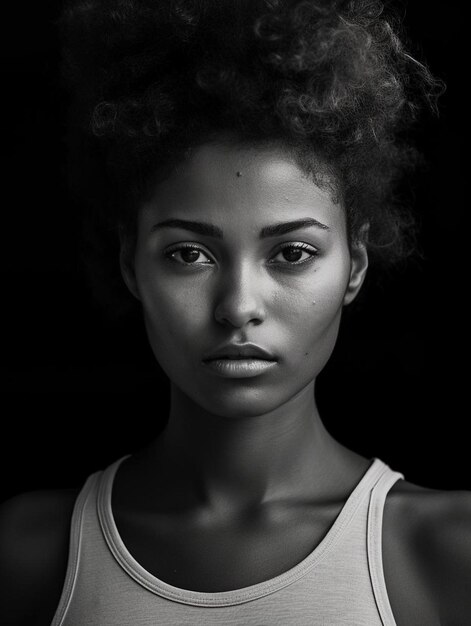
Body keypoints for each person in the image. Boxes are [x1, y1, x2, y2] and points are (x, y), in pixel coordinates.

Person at [0, 0, 470, 624]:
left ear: (355, 264)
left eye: (293, 253)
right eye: (189, 253)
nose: (238, 306)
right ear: (129, 263)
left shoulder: (448, 551)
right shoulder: (31, 553)